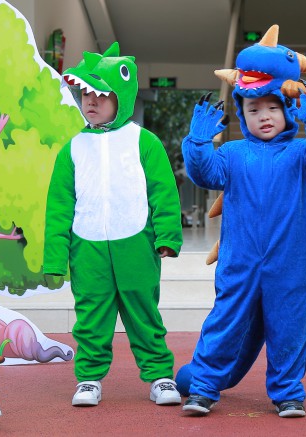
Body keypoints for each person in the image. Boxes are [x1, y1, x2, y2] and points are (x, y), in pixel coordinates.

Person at [178, 25, 306, 418]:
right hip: (240, 263)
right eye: (253, 110)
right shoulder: (232, 154)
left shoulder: (302, 154)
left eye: (272, 108)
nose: (263, 116)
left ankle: (288, 393)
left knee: (290, 328)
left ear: (287, 110)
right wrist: (197, 143)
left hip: (292, 265)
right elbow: (204, 174)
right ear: (242, 114)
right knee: (225, 323)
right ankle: (202, 387)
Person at [43, 42, 183, 408]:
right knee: (90, 316)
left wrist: (167, 236)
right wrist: (55, 256)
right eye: (86, 94)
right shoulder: (72, 149)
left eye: (101, 95)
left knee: (144, 313)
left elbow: (163, 191)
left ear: (122, 97)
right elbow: (59, 206)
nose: (91, 101)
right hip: (86, 247)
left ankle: (159, 375)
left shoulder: (144, 142)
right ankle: (89, 379)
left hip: (137, 243)